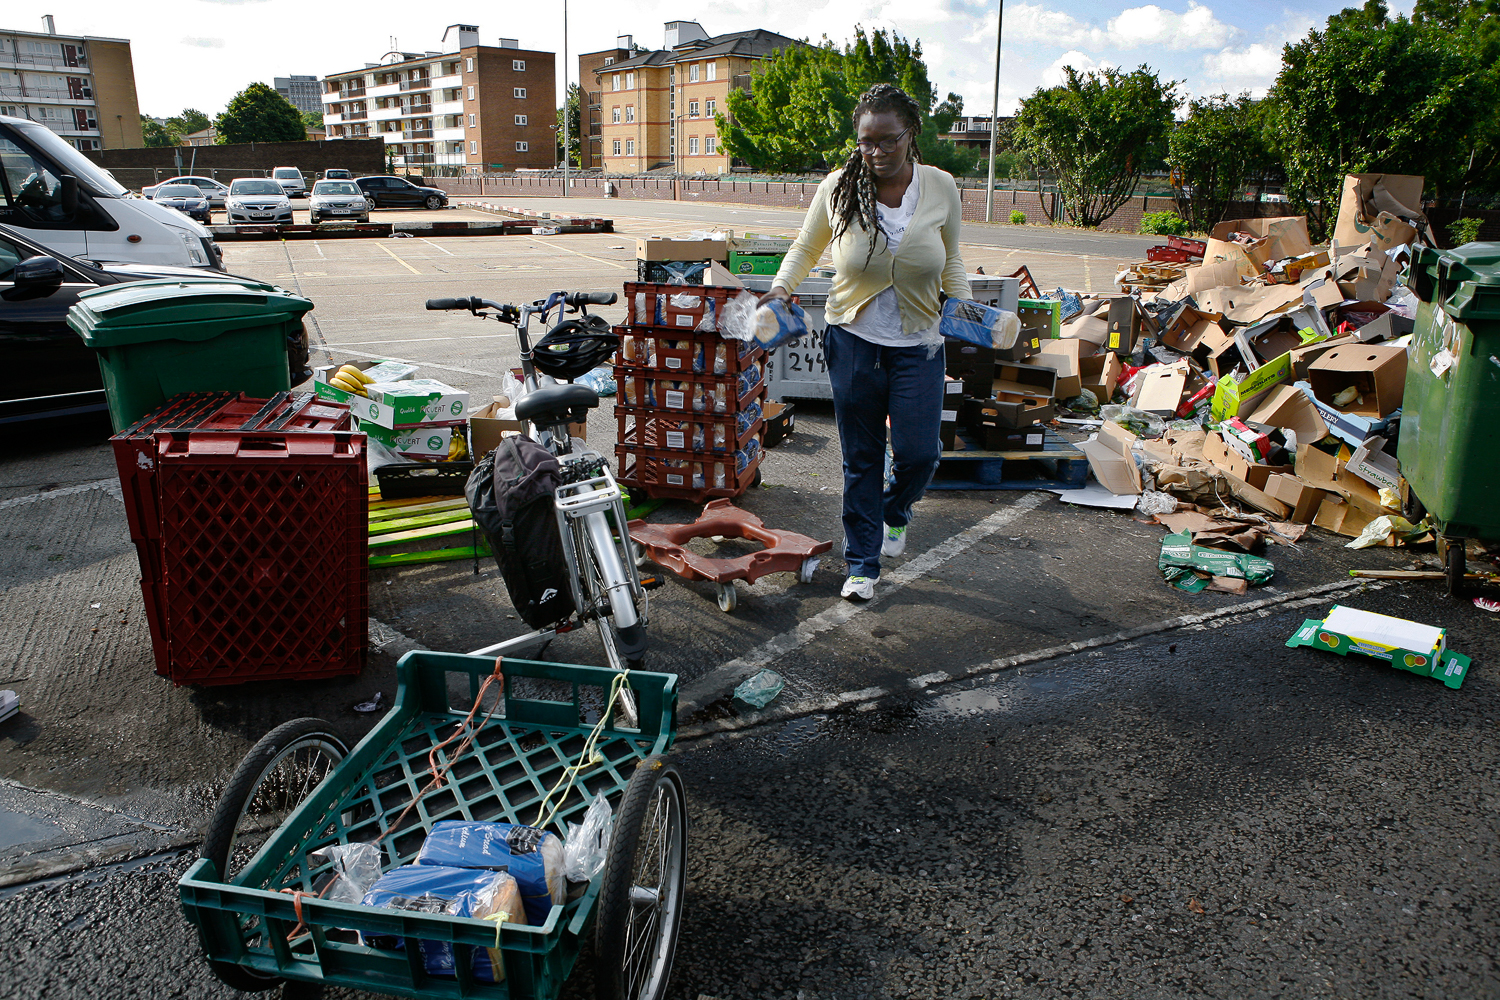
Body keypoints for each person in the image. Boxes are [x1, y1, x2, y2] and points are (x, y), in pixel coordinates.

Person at [760, 83, 970, 601]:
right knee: (861, 458)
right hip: (853, 340)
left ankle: (895, 510)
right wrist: (781, 289)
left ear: (911, 133)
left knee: (919, 455)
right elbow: (805, 247)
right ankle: (862, 563)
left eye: (887, 140)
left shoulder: (941, 187)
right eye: (866, 141)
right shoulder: (838, 187)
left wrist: (965, 309)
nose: (875, 152)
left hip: (919, 344)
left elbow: (952, 258)